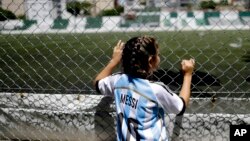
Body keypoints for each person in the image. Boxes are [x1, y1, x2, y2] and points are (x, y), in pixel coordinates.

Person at [93, 36, 195, 141]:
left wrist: (114, 61)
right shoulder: (155, 90)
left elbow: (97, 83)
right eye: (157, 55)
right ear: (151, 60)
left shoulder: (118, 81)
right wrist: (188, 75)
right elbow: (180, 106)